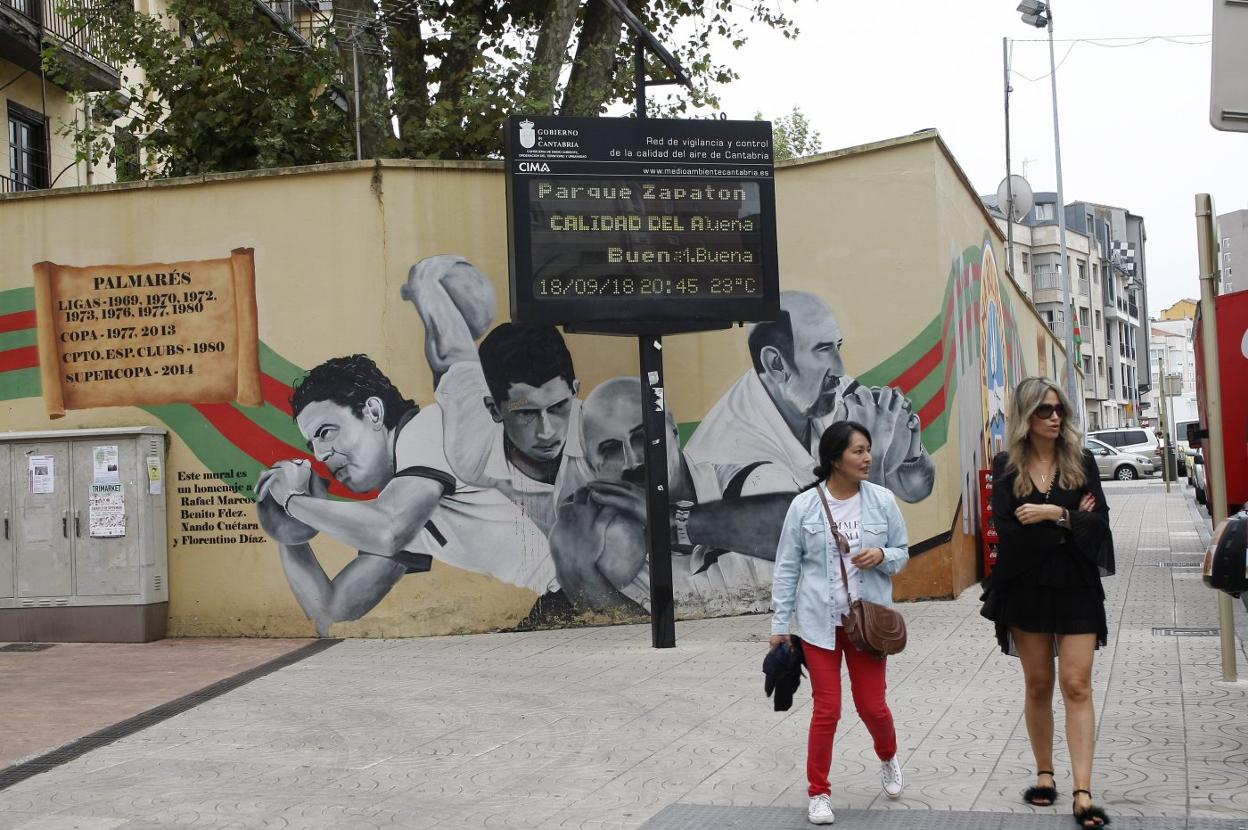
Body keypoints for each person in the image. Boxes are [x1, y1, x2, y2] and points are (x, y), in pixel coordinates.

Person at [256, 355, 555, 636]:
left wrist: (294, 501)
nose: (321, 455)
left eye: (326, 432)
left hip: (580, 580)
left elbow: (389, 529)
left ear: (373, 412)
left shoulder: (428, 429)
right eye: (312, 446)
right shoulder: (407, 496)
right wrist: (284, 525)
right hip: (563, 597)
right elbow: (332, 611)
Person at [979, 376, 1113, 829]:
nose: (1055, 417)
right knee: (1038, 684)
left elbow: (1101, 529)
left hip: (1076, 586)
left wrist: (1054, 514)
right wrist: (1075, 522)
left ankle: (1082, 791)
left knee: (1077, 684)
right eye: (1044, 410)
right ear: (1026, 416)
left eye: (1059, 409)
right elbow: (1010, 535)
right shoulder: (1006, 468)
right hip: (1026, 588)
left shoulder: (1082, 461)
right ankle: (1044, 774)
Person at [548, 377, 794, 615]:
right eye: (611, 449)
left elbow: (798, 529)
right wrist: (580, 576)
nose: (632, 461)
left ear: (673, 428)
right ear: (594, 468)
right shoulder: (611, 552)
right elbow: (644, 648)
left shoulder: (751, 484)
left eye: (643, 437)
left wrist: (673, 522)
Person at [769, 421, 910, 825]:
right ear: (835, 458)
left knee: (872, 706)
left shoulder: (882, 501)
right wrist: (780, 624)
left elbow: (903, 552)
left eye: (868, 450)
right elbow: (787, 568)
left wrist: (881, 555)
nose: (868, 458)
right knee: (827, 710)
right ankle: (819, 792)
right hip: (818, 623)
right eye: (858, 451)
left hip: (866, 625)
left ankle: (887, 756)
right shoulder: (804, 506)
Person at [685, 290, 935, 503]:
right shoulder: (743, 461)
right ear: (777, 364)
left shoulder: (820, 390)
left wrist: (910, 450)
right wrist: (875, 451)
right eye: (823, 350)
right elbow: (851, 545)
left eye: (836, 346)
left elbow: (914, 489)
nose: (839, 370)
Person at [403, 258, 593, 535]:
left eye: (559, 406)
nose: (547, 432)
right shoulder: (473, 451)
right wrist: (427, 282)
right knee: (453, 360)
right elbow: (450, 354)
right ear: (494, 410)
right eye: (527, 413)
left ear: (575, 392)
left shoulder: (602, 441)